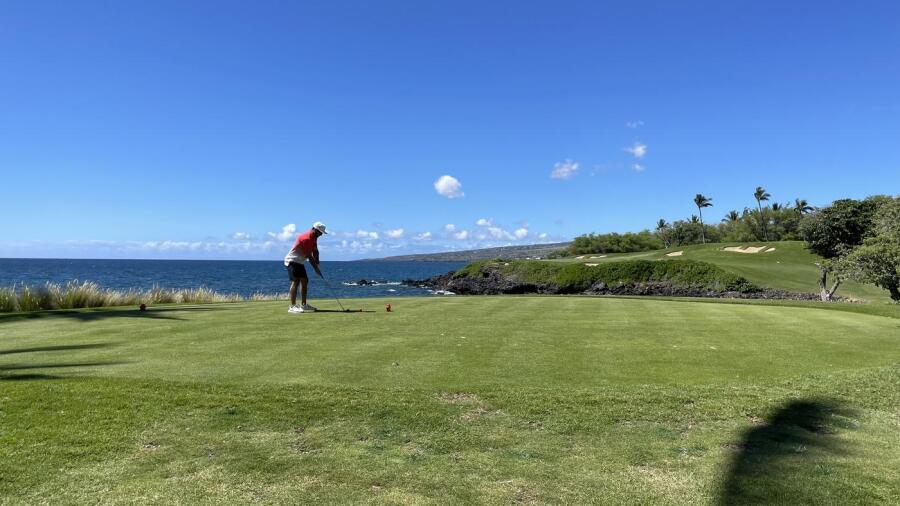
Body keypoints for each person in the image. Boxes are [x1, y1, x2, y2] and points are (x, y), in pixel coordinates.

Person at [284, 222, 327, 313]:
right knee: (296, 281)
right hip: (292, 260)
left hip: (299, 262)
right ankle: (292, 306)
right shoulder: (306, 238)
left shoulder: (314, 237)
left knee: (305, 281)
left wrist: (318, 264)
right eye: (320, 232)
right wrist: (316, 269)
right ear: (314, 229)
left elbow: (315, 251)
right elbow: (309, 256)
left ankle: (303, 305)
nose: (321, 234)